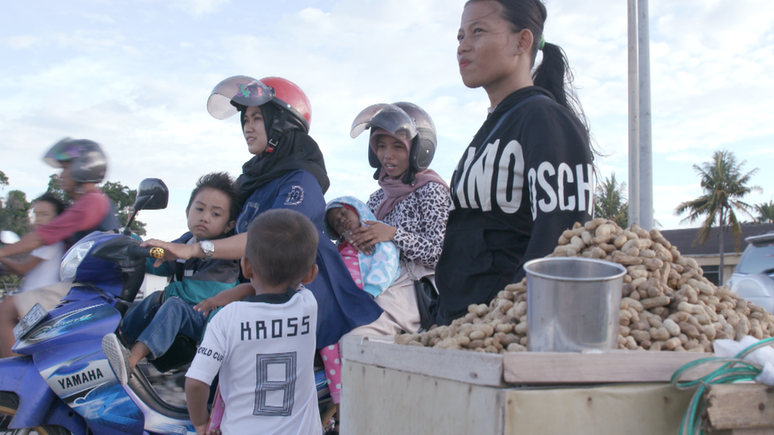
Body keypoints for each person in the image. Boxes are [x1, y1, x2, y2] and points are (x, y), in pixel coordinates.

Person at [142, 75, 382, 350]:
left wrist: (195, 251)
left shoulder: (301, 181)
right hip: (256, 293)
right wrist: (158, 248)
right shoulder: (251, 182)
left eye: (257, 118)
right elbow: (213, 231)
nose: (248, 127)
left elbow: (268, 239)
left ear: (281, 123)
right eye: (245, 120)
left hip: (297, 299)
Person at [434, 0, 595, 325]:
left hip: (510, 337)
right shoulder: (491, 128)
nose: (463, 46)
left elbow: (564, 241)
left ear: (523, 41)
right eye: (460, 35)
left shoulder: (544, 119)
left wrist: (508, 323)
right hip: (460, 330)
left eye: (478, 31)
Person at [185, 208, 322, 435]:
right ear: (310, 274)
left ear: (246, 266)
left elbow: (196, 382)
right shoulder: (308, 306)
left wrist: (201, 423)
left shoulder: (226, 319)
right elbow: (284, 288)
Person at [102, 172, 241, 385]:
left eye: (215, 214)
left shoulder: (224, 254)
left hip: (210, 320)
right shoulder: (186, 241)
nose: (204, 217)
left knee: (172, 304)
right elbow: (159, 262)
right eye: (200, 209)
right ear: (188, 211)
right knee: (154, 299)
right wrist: (134, 247)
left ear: (228, 225)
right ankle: (120, 342)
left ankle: (130, 361)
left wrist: (168, 294)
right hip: (191, 313)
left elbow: (203, 295)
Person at [0, 138, 119, 357]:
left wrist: (3, 251)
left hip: (90, 291)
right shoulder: (91, 203)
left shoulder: (92, 201)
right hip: (86, 289)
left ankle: (11, 379)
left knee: (6, 309)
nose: (61, 175)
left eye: (66, 168)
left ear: (83, 168)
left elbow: (41, 237)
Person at [345, 102, 450, 336]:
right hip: (377, 282)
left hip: (411, 288)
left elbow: (440, 254)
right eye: (381, 146)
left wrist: (393, 234)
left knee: (357, 338)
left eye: (397, 147)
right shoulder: (377, 197)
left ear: (417, 150)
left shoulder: (431, 191)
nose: (387, 155)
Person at [321, 195, 402, 404]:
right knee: (326, 342)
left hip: (361, 300)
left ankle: (354, 399)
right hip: (340, 302)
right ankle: (339, 398)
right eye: (335, 224)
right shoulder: (341, 248)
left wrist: (369, 292)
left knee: (350, 341)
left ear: (358, 210)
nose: (341, 220)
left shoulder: (377, 237)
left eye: (343, 212)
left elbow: (387, 263)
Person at [0, 193, 66, 292]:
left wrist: (2, 257)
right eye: (36, 214)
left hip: (39, 295)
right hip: (31, 294)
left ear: (58, 218)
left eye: (44, 214)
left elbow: (23, 268)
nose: (38, 218)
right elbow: (26, 270)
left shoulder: (50, 243)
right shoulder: (42, 243)